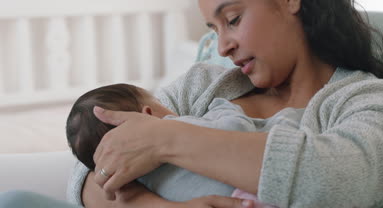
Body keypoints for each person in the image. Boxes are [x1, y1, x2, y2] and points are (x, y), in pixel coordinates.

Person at [0, 0, 383, 207]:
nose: (222, 47)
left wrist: (166, 138)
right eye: (213, 30)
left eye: (232, 19)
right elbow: (90, 168)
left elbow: (343, 183)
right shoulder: (205, 84)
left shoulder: (370, 100)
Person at [66, 83, 278, 207]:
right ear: (148, 113)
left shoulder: (133, 178)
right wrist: (224, 109)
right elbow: (236, 129)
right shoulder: (171, 125)